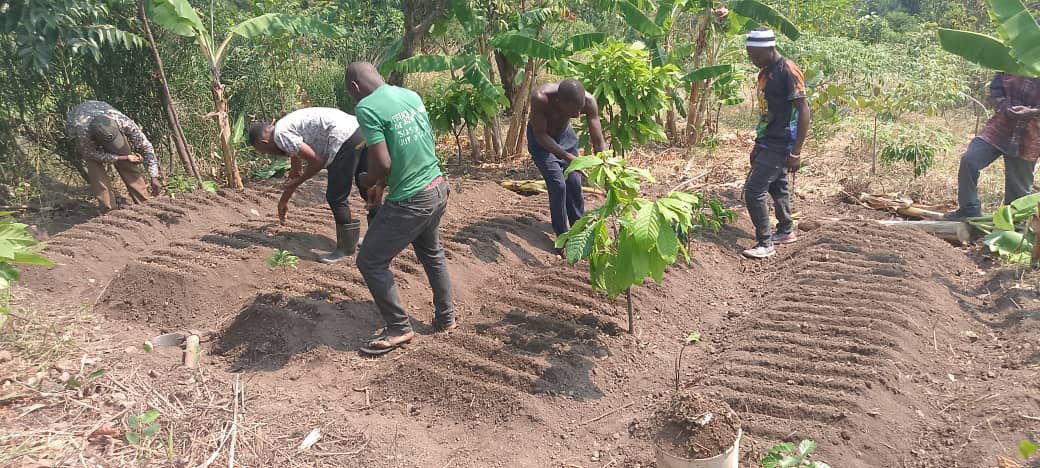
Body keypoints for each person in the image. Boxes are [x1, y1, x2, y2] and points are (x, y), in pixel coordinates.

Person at [344, 61, 455, 355]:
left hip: (412, 199)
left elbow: (382, 163)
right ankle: (446, 318)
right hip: (437, 187)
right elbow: (416, 147)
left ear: (355, 88)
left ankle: (398, 328)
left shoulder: (366, 108)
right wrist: (383, 184)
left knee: (370, 260)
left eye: (351, 93)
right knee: (431, 252)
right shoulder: (410, 95)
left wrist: (367, 179)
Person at [248, 107, 373, 264]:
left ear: (264, 143)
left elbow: (317, 162)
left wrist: (299, 182)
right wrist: (284, 201)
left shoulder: (281, 136)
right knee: (366, 185)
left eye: (264, 151)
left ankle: (346, 249)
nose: (269, 154)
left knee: (336, 196)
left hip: (344, 138)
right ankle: (378, 240)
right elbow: (296, 172)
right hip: (360, 131)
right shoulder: (284, 127)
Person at [742, 28, 811, 259]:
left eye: (757, 56)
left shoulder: (788, 70)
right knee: (777, 185)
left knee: (753, 191)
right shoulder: (765, 72)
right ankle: (785, 231)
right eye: (750, 55)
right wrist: (757, 143)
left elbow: (803, 111)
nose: (754, 61)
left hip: (781, 142)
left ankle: (765, 243)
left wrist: (796, 151)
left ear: (771, 50)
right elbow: (766, 112)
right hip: (768, 139)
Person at [943, 71, 1040, 220]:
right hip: (1000, 128)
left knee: (1017, 195)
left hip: (1029, 137)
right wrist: (1004, 107)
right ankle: (969, 211)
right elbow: (995, 88)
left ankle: (1010, 231)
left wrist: (1032, 112)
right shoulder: (1011, 61)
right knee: (970, 160)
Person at [528, 79, 607, 252]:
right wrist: (567, 156)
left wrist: (605, 167)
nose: (578, 115)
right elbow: (540, 134)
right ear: (559, 102)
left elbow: (598, 140)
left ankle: (579, 230)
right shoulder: (541, 98)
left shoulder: (588, 101)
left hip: (565, 137)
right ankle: (562, 237)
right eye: (574, 111)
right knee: (558, 184)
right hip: (542, 140)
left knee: (573, 181)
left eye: (580, 110)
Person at [66, 101, 163, 212]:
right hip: (82, 129)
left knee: (128, 161)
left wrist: (154, 176)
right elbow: (91, 154)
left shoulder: (122, 121)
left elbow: (147, 147)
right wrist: (121, 158)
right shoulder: (82, 133)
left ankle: (144, 202)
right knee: (95, 169)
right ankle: (109, 209)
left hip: (98, 111)